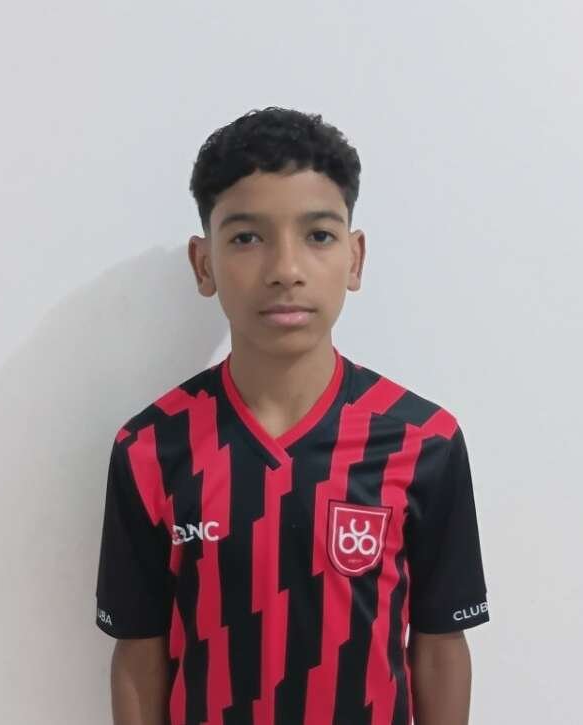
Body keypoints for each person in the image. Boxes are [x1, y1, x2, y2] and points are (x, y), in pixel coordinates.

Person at [95, 106, 490, 725]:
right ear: (204, 263)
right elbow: (139, 651)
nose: (285, 270)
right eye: (247, 238)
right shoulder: (150, 449)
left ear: (355, 258)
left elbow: (439, 645)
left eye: (318, 236)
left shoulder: (423, 442)